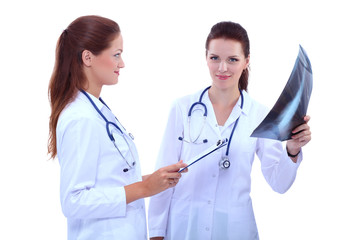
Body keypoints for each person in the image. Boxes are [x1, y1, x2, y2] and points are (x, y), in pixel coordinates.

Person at [148, 21, 311, 240]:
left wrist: (292, 150)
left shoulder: (260, 115)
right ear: (206, 57)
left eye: (232, 60)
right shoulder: (182, 108)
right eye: (215, 58)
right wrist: (156, 233)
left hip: (235, 229)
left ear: (246, 61)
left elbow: (279, 183)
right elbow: (163, 174)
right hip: (185, 227)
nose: (222, 68)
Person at [47, 15, 186, 240]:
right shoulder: (80, 119)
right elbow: (73, 201)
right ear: (88, 57)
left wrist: (155, 179)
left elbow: (109, 179)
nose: (122, 63)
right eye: (116, 55)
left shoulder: (96, 109)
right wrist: (144, 189)